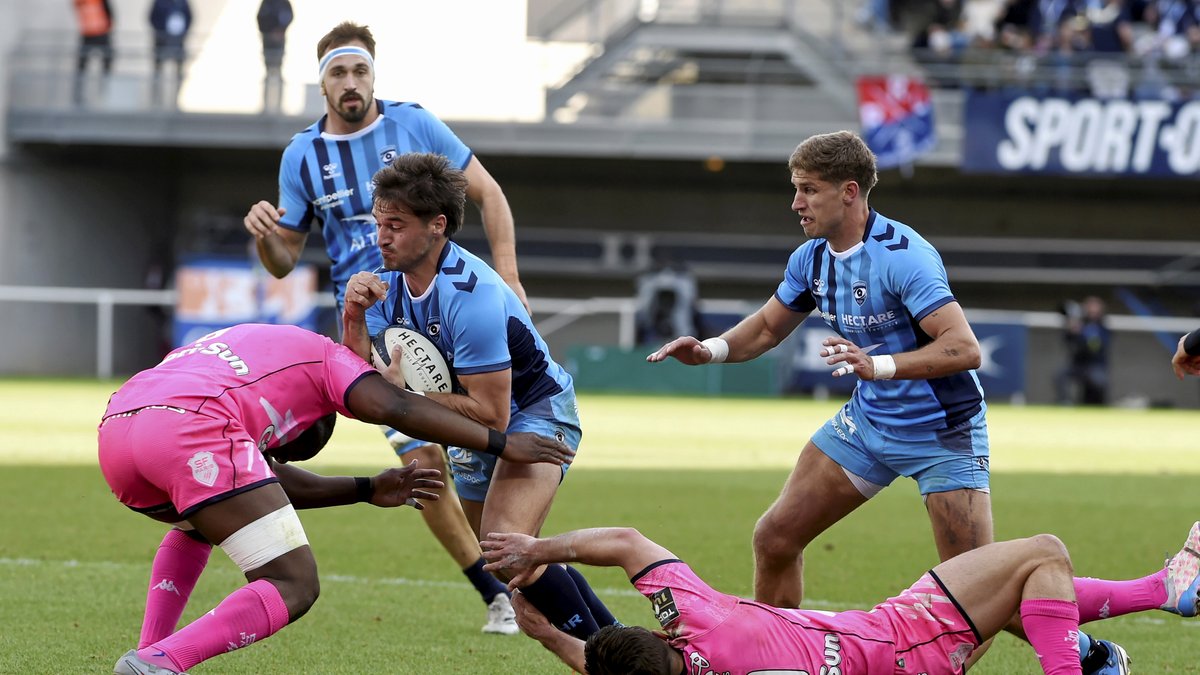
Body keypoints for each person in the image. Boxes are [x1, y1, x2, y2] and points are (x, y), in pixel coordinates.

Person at [646, 130, 1146, 673]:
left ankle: (1098, 647)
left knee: (977, 598)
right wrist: (712, 349)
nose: (796, 203)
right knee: (775, 537)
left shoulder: (905, 257)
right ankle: (775, 659)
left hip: (942, 434)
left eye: (809, 190)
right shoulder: (811, 260)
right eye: (795, 189)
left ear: (850, 192)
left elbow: (964, 348)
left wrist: (877, 366)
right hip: (868, 426)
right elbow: (768, 327)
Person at [241, 21, 528, 634]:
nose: (352, 83)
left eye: (360, 70)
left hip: (443, 310)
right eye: (339, 73)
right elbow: (285, 259)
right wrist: (267, 239)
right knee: (424, 459)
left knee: (482, 439)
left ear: (374, 73)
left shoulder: (413, 124)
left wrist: (507, 276)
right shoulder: (303, 155)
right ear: (321, 84)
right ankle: (495, 590)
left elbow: (490, 194)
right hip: (377, 329)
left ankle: (521, 566)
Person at [101, 323, 574, 675]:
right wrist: (500, 442)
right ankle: (163, 661)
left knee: (196, 522)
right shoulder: (331, 360)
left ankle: (149, 651)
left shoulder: (245, 340)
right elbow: (395, 406)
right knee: (293, 583)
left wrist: (366, 488)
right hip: (189, 425)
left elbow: (258, 483)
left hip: (118, 428)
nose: (270, 456)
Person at [341, 152, 620, 646]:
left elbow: (490, 413)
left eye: (396, 225)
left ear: (437, 227)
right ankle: (621, 647)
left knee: (509, 549)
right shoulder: (384, 286)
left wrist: (405, 396)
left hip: (536, 413)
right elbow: (362, 382)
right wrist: (354, 319)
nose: (381, 237)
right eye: (379, 223)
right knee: (507, 558)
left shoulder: (470, 297)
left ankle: (613, 656)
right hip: (466, 420)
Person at [480, 523, 1200, 675]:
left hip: (894, 648)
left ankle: (1163, 595)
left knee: (1017, 596)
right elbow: (630, 540)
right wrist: (538, 550)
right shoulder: (695, 619)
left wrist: (551, 638)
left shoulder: (680, 668)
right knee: (1043, 553)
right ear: (665, 637)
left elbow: (602, 669)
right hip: (902, 641)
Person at [1055, 296, 1111, 405]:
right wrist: (1072, 331)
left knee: (1099, 382)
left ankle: (1099, 406)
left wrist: (1082, 334)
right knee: (1060, 376)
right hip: (1078, 365)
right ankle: (1065, 403)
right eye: (1089, 307)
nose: (1092, 311)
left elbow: (1096, 347)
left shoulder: (1102, 327)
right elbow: (1067, 341)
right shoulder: (1079, 323)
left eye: (1095, 308)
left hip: (1095, 365)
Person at [148, 0, 191, 109]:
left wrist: (183, 32)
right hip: (162, 41)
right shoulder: (159, 2)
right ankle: (157, 99)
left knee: (178, 72)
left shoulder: (182, 2)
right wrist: (160, 32)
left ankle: (177, 99)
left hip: (178, 41)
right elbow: (152, 18)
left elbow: (190, 17)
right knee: (159, 71)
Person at [72, 0, 114, 106]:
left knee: (106, 62)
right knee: (82, 66)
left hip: (100, 33)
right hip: (90, 34)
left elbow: (109, 13)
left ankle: (105, 92)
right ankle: (79, 95)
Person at [256, 0, 293, 114]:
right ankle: (266, 105)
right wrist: (269, 31)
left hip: (280, 41)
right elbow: (260, 18)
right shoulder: (266, 3)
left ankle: (279, 105)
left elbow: (289, 16)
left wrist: (280, 30)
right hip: (268, 41)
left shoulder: (284, 3)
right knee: (268, 73)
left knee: (278, 72)